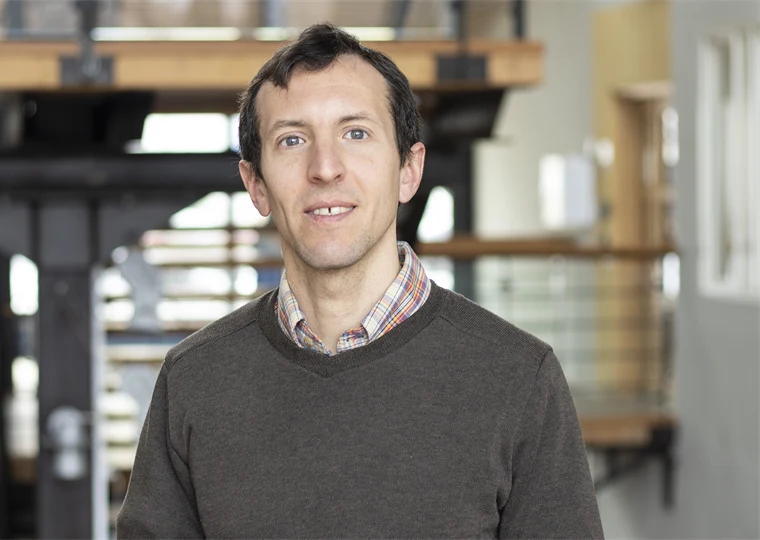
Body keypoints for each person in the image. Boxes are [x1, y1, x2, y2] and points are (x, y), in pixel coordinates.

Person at [116, 23, 604, 540]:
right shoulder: (194, 380)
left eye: (356, 133)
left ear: (409, 170)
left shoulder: (520, 378)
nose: (325, 168)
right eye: (292, 140)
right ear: (255, 185)